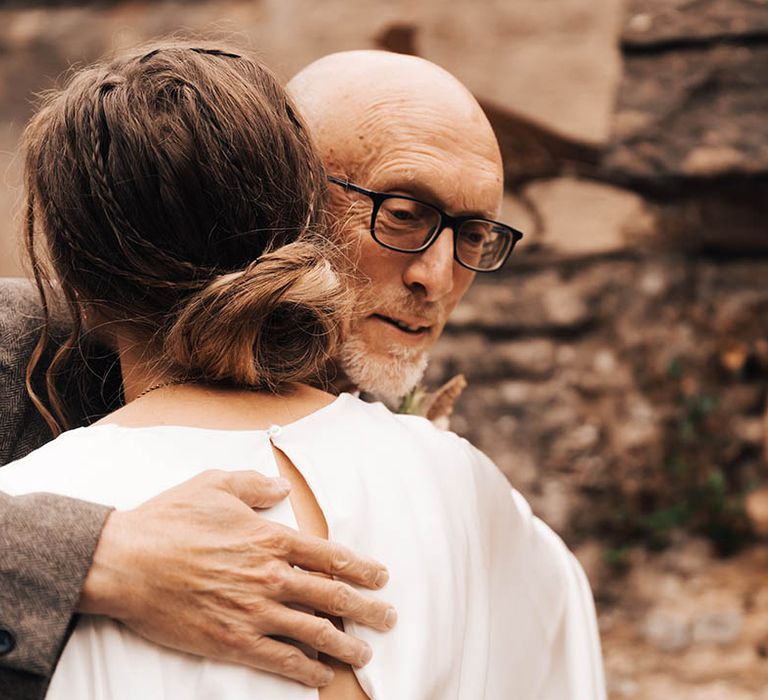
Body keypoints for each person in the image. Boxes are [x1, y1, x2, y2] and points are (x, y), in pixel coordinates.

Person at [0, 47, 605, 698]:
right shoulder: (31, 338)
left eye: (475, 237)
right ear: (286, 192)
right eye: (403, 215)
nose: (437, 278)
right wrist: (95, 552)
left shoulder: (449, 474)